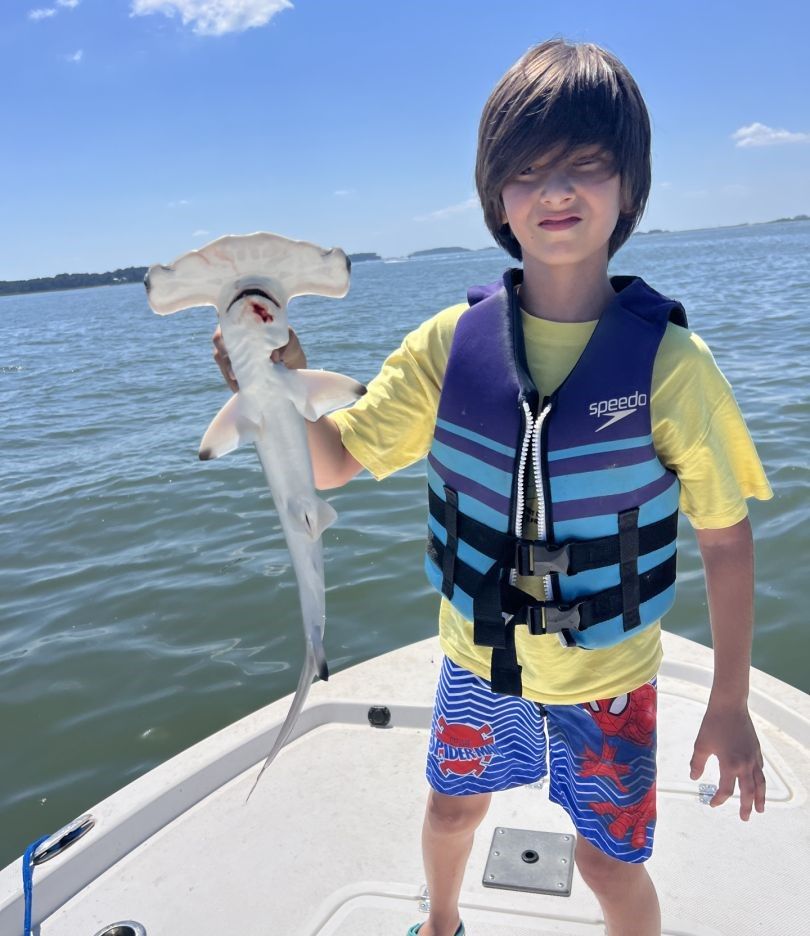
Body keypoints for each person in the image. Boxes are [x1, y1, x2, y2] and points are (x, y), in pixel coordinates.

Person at [213, 38, 771, 936]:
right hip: (478, 664)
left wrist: (732, 700)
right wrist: (270, 385)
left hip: (612, 681)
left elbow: (725, 536)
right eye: (529, 170)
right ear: (495, 194)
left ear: (629, 187)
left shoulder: (672, 366)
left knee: (610, 862)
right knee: (448, 813)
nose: (556, 191)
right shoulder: (449, 343)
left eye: (587, 165)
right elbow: (335, 462)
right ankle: (440, 924)